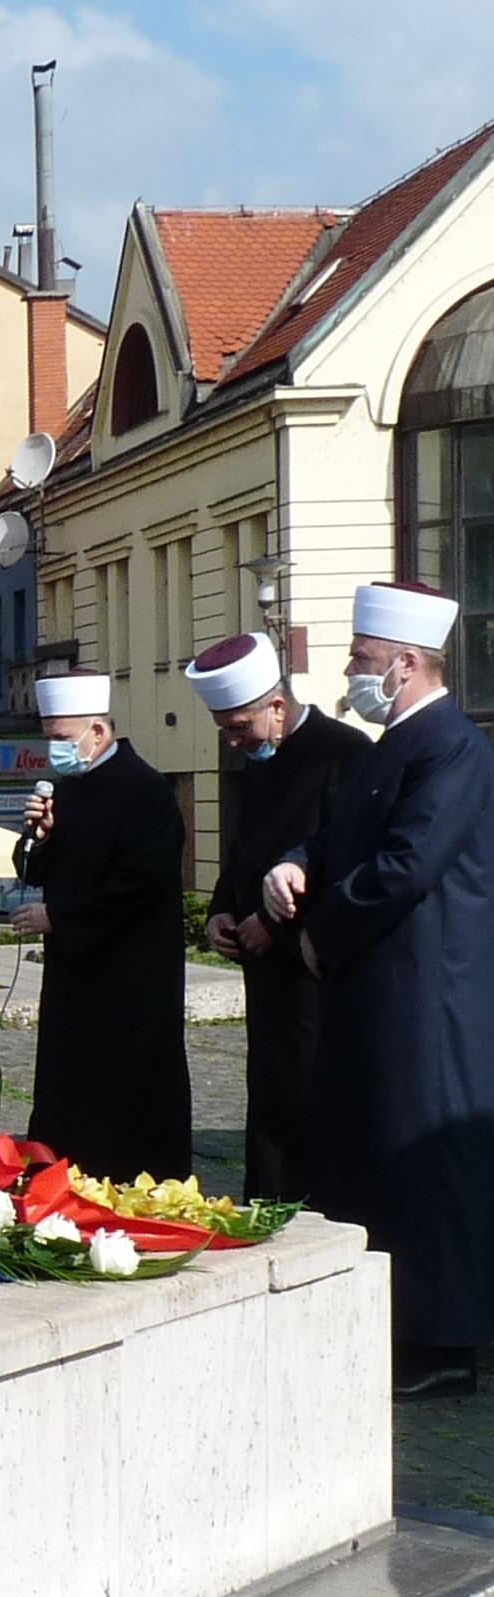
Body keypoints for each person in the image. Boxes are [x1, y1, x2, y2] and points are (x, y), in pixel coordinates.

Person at [263, 582, 494, 1399]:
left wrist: (323, 931)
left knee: (422, 1162)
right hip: (379, 988)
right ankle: (392, 1321)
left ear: (402, 664)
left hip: (427, 994)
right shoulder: (391, 742)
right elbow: (340, 835)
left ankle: (442, 1340)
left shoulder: (450, 747)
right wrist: (295, 861)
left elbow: (407, 863)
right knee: (372, 1155)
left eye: (361, 659)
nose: (351, 671)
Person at [185, 632, 367, 1202]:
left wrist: (278, 926)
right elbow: (244, 852)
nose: (234, 740)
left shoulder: (345, 753)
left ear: (278, 707)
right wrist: (221, 913)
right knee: (268, 1098)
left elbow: (348, 862)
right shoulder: (261, 759)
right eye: (225, 729)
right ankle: (267, 1202)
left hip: (314, 974)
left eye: (240, 726)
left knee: (310, 1105)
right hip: (264, 974)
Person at [15, 670, 191, 1181]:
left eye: (61, 738)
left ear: (98, 731)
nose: (54, 750)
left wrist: (60, 917)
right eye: (48, 737)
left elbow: (140, 884)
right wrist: (40, 837)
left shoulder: (147, 792)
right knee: (69, 1097)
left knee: (127, 1103)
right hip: (74, 979)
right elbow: (30, 867)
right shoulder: (68, 791)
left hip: (131, 979)